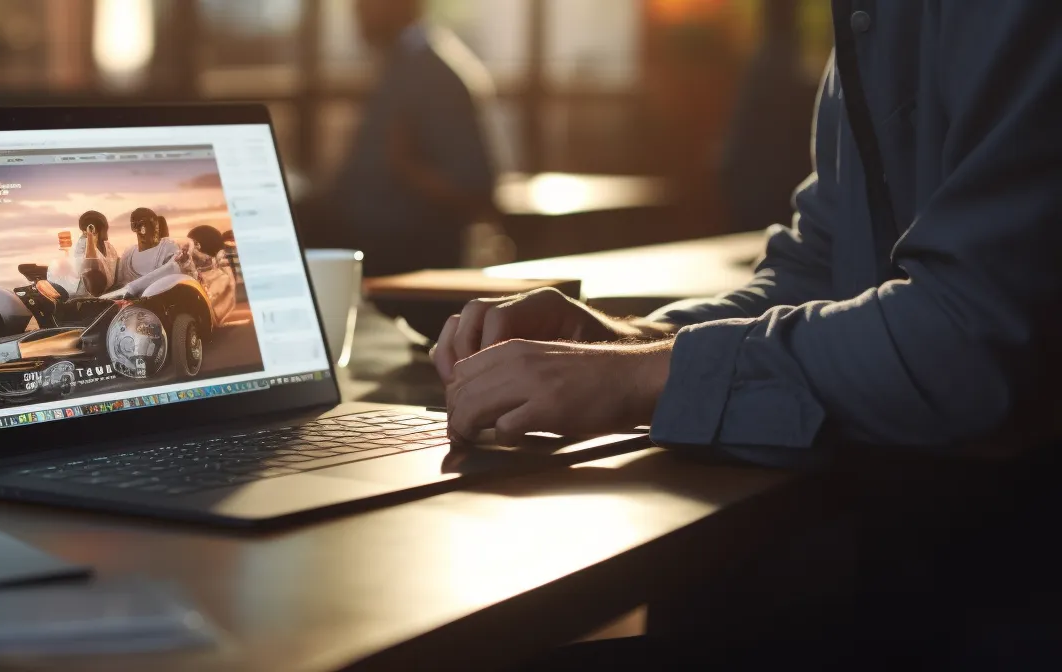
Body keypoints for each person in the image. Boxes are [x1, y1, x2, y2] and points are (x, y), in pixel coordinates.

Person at [433, 3, 1062, 665]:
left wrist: (639, 377)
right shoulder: (871, 20)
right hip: (910, 560)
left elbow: (975, 338)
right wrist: (627, 342)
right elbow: (823, 269)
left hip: (1001, 591)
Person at [313, 0, 498, 277]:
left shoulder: (435, 76)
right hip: (365, 239)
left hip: (401, 255)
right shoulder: (398, 64)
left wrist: (406, 164)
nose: (357, 11)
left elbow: (476, 188)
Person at [109, 207, 189, 296]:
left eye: (149, 225)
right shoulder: (128, 254)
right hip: (129, 305)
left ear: (156, 225)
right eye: (138, 225)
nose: (143, 230)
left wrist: (182, 262)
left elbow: (173, 270)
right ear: (133, 227)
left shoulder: (168, 246)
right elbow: (119, 283)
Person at [50, 210, 118, 296]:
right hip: (86, 291)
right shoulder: (82, 245)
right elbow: (90, 266)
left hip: (106, 290)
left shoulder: (108, 247)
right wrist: (90, 238)